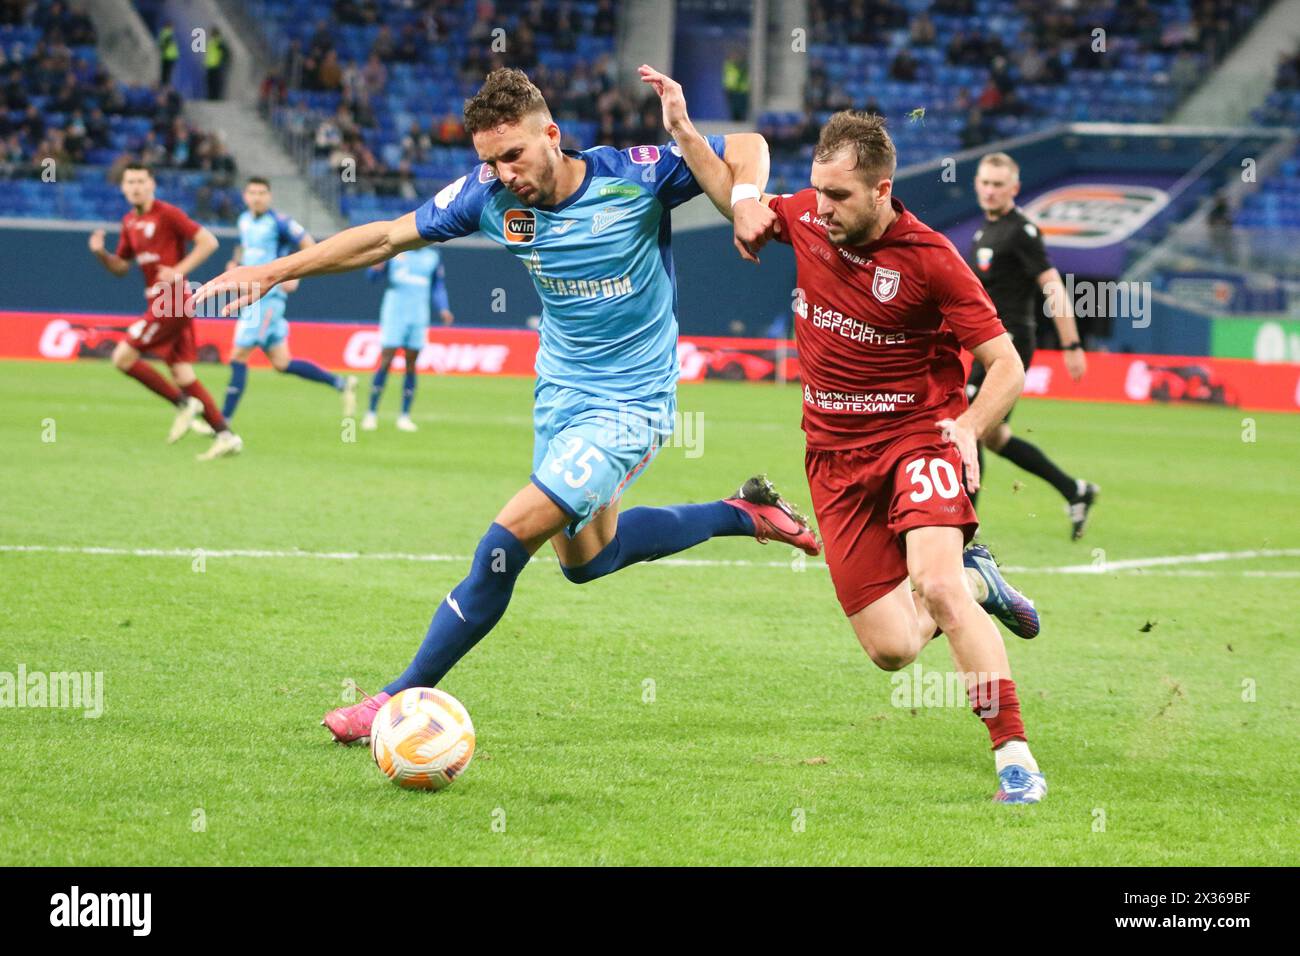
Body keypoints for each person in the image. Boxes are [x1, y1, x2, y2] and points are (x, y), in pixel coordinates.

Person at [192, 68, 821, 743]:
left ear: (551, 134)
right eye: (488, 159)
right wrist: (273, 271)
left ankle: (397, 696)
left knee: (506, 538)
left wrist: (749, 198)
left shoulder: (635, 175)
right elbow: (382, 237)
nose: (502, 172)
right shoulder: (486, 195)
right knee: (588, 562)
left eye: (513, 154)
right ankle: (742, 513)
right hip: (559, 395)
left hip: (631, 401)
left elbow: (748, 144)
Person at [642, 66, 1049, 803]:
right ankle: (979, 580)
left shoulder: (932, 263)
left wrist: (966, 426)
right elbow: (730, 189)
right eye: (816, 191)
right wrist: (682, 128)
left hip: (916, 438)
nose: (819, 208)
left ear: (883, 190)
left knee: (936, 583)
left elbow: (1007, 365)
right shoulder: (804, 217)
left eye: (838, 196)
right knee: (892, 650)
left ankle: (1014, 758)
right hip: (832, 459)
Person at [967, 152, 1098, 539]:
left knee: (968, 424)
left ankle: (962, 533)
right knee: (994, 435)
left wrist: (1071, 344)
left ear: (1014, 188)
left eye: (998, 185)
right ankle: (1075, 490)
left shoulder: (1021, 231)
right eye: (985, 183)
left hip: (1009, 343)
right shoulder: (983, 232)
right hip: (988, 342)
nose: (990, 191)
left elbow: (1052, 285)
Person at [87, 163, 242, 460]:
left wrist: (179, 271)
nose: (135, 186)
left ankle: (184, 404)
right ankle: (226, 435)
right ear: (123, 188)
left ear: (151, 184)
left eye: (140, 181)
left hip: (171, 300)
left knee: (122, 357)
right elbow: (121, 267)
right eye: (130, 182)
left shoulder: (167, 213)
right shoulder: (129, 222)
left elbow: (208, 241)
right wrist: (100, 254)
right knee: (183, 373)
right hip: (162, 302)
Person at [219, 176, 358, 424]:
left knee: (238, 355)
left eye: (262, 193)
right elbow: (243, 246)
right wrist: (235, 262)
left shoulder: (280, 222)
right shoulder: (244, 220)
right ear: (245, 196)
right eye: (252, 193)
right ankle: (341, 383)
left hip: (267, 300)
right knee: (282, 363)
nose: (257, 197)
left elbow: (310, 246)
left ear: (269, 196)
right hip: (250, 298)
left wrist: (297, 275)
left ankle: (221, 423)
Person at [363, 247, 454, 432]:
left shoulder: (432, 256)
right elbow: (372, 278)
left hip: (418, 314)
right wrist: (375, 268)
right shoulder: (395, 252)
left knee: (411, 363)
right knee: (386, 360)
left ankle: (404, 416)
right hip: (394, 313)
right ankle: (371, 413)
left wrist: (443, 308)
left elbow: (437, 286)